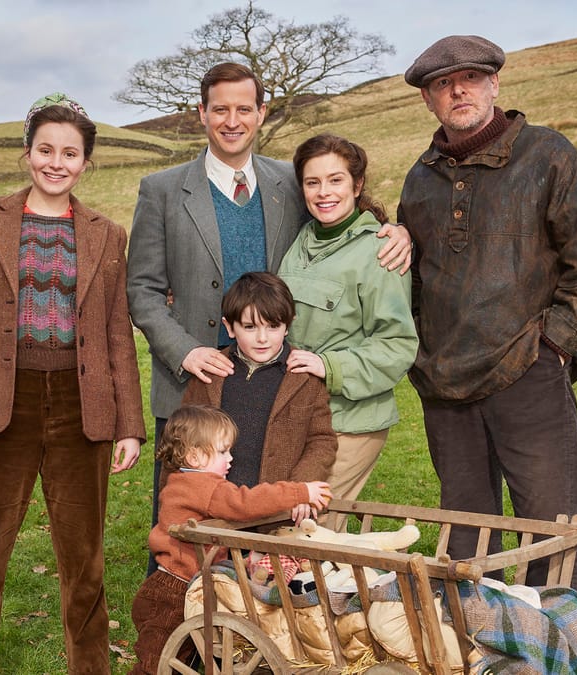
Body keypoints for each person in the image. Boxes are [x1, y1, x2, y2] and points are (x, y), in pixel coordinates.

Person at [126, 62, 410, 557]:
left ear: (261, 113)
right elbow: (143, 291)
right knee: (183, 531)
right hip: (199, 390)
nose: (231, 120)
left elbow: (340, 222)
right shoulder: (163, 190)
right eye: (220, 109)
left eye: (243, 108)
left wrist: (393, 229)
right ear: (202, 113)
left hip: (273, 389)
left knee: (265, 526)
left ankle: (252, 621)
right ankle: (180, 622)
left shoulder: (289, 181)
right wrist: (185, 351)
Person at [397, 36, 577, 601]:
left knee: (548, 527)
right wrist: (423, 353)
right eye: (442, 84)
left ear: (494, 84)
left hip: (529, 370)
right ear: (428, 99)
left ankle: (559, 649)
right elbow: (416, 279)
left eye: (470, 78)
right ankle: (485, 650)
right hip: (446, 382)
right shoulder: (420, 180)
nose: (458, 91)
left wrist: (554, 346)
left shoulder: (548, 156)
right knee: (467, 539)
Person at [0, 93, 145, 673]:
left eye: (70, 152)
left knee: (85, 566)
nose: (56, 162)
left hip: (82, 410)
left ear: (85, 162)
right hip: (0, 407)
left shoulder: (107, 233)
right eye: (45, 149)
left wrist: (129, 424)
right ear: (27, 154)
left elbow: (117, 333)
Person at [277, 133, 419, 533]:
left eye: (336, 180)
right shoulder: (301, 241)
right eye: (312, 182)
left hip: (351, 422)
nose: (324, 193)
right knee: (292, 537)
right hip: (302, 416)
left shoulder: (380, 251)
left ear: (357, 185)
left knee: (311, 533)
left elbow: (397, 346)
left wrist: (327, 365)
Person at [129, 404, 331, 675]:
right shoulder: (202, 487)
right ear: (195, 457)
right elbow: (244, 503)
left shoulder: (184, 482)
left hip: (182, 581)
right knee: (154, 665)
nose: (230, 458)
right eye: (223, 451)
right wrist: (299, 491)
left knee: (182, 656)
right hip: (174, 591)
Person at [180, 271, 337, 525]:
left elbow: (321, 440)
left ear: (288, 324)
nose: (262, 338)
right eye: (250, 327)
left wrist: (301, 488)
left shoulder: (303, 375)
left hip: (279, 514)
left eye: (273, 326)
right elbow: (184, 439)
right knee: (219, 566)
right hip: (215, 515)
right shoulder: (212, 372)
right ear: (230, 327)